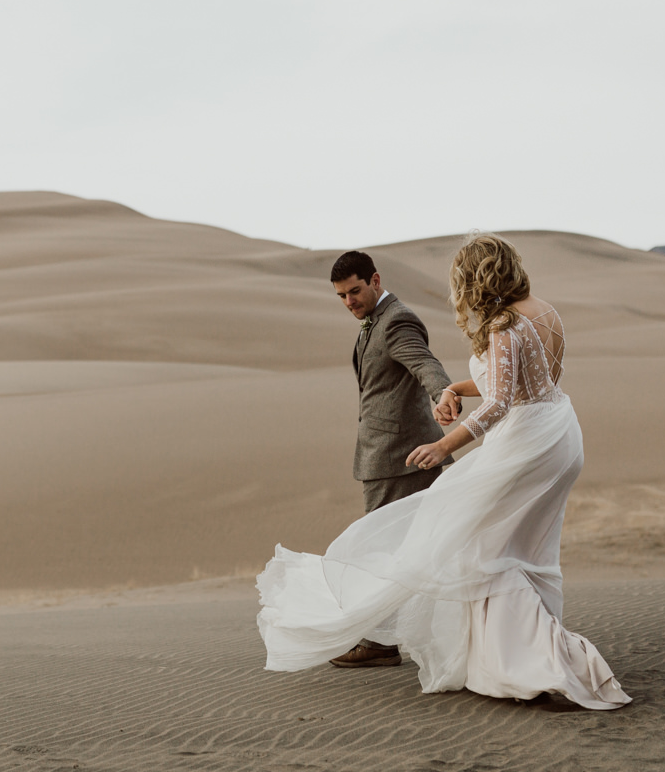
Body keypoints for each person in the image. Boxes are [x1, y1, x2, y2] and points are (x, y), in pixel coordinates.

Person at [258, 234, 631, 709]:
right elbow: (522, 380)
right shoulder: (545, 311)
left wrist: (443, 444)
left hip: (524, 444)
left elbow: (499, 401)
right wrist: (455, 386)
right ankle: (522, 650)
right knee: (523, 550)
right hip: (557, 433)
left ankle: (532, 660)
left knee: (485, 548)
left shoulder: (502, 324)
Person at [326, 250, 456, 668]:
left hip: (399, 459)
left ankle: (379, 642)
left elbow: (424, 364)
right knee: (414, 546)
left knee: (376, 549)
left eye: (356, 291)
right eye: (342, 296)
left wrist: (444, 393)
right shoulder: (372, 322)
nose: (350, 302)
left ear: (376, 280)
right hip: (392, 455)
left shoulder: (397, 320)